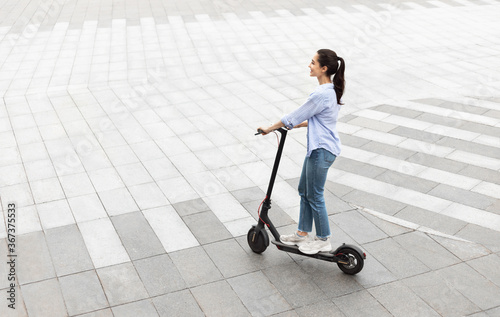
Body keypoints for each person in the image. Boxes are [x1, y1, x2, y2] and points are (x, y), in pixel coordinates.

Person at [257, 49, 345, 255]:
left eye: (313, 62)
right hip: (320, 148)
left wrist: (269, 128)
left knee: (314, 195)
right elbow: (321, 119)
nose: (309, 65)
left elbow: (294, 115)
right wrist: (298, 125)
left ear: (324, 68)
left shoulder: (321, 94)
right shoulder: (331, 90)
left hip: (321, 150)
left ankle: (323, 239)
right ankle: (302, 233)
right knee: (304, 191)